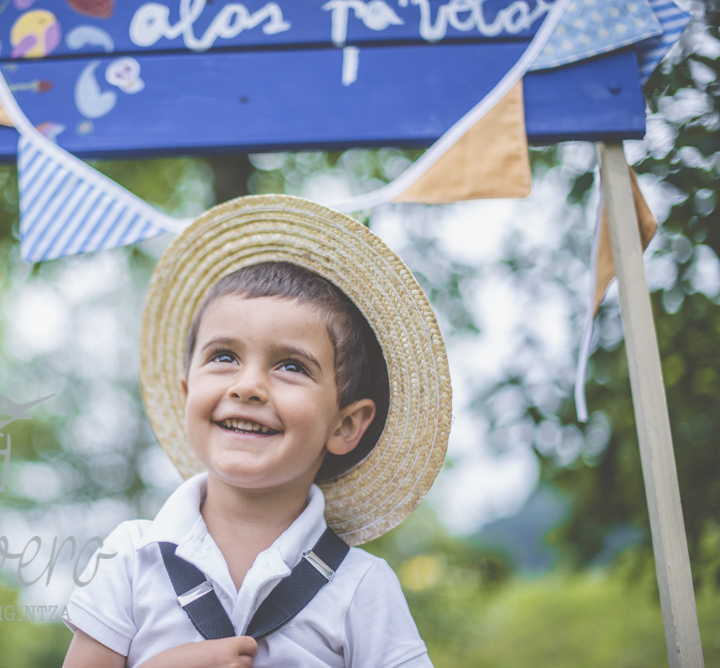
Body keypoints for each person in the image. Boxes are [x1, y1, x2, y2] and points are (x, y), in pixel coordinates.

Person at [61, 195, 452, 667]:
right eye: (224, 356)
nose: (247, 386)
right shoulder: (130, 556)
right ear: (186, 393)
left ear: (345, 424)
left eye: (291, 366)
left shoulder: (363, 587)